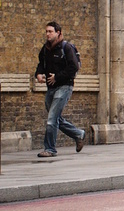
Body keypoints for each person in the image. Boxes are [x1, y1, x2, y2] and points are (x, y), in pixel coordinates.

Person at [35, 21, 87, 158]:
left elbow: (74, 67)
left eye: (50, 31)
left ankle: (50, 149)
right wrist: (39, 74)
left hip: (64, 87)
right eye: (46, 31)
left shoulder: (67, 48)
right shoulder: (45, 49)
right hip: (51, 88)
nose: (47, 34)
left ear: (58, 33)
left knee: (51, 119)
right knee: (55, 117)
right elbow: (41, 64)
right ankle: (78, 134)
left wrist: (57, 77)